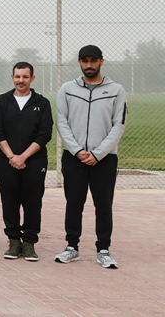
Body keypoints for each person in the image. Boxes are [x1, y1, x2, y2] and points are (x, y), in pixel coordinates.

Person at [54, 45, 127, 268]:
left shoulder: (116, 90)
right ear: (79, 63)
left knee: (103, 204)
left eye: (93, 61)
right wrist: (77, 150)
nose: (89, 65)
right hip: (73, 157)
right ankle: (71, 247)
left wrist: (97, 153)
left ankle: (103, 249)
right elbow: (62, 122)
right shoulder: (67, 89)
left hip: (104, 159)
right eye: (84, 61)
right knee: (73, 203)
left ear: (101, 62)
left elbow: (119, 125)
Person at [0, 62, 53, 262]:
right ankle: (13, 241)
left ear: (32, 79)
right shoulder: (1, 101)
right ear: (12, 78)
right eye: (17, 76)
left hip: (34, 161)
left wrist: (23, 157)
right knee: (9, 200)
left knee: (32, 202)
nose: (21, 80)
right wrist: (11, 156)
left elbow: (45, 134)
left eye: (25, 77)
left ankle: (29, 243)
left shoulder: (42, 103)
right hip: (5, 160)